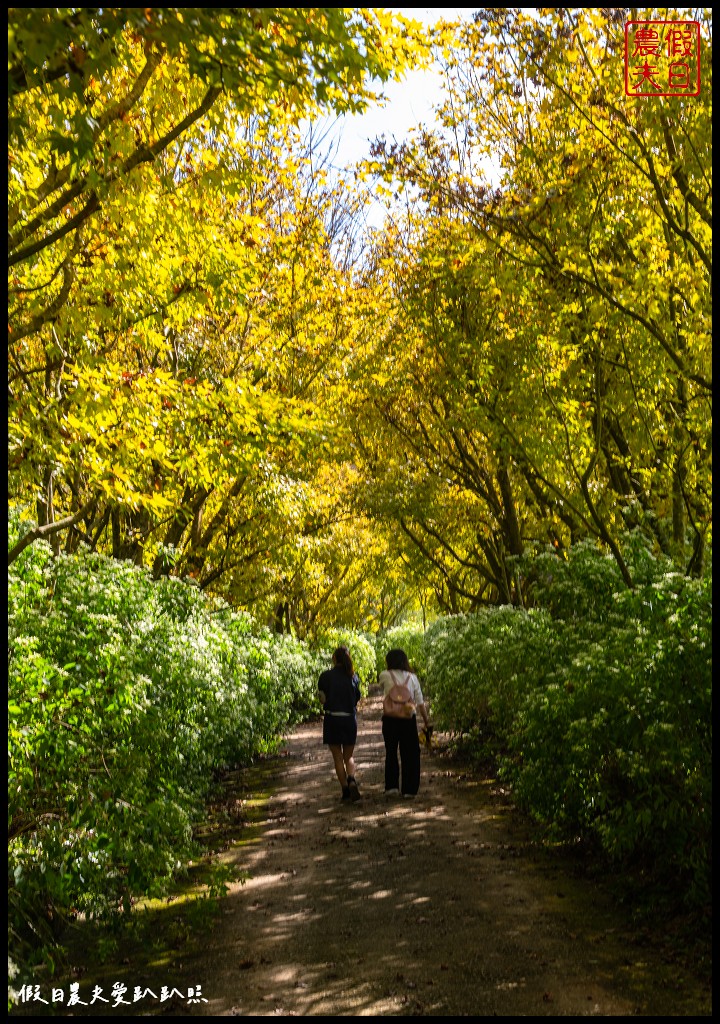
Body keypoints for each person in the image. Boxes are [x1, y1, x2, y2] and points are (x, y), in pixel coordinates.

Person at [379, 648, 431, 798]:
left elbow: (384, 688)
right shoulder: (413, 678)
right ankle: (409, 789)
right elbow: (420, 702)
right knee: (410, 754)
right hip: (409, 718)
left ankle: (391, 787)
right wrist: (426, 722)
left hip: (390, 718)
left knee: (391, 752)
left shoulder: (384, 675)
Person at [318, 646, 362, 801]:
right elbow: (357, 698)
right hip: (349, 719)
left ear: (334, 658)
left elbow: (322, 698)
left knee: (337, 757)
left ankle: (344, 789)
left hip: (332, 719)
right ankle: (351, 779)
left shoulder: (325, 677)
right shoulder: (353, 676)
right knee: (348, 756)